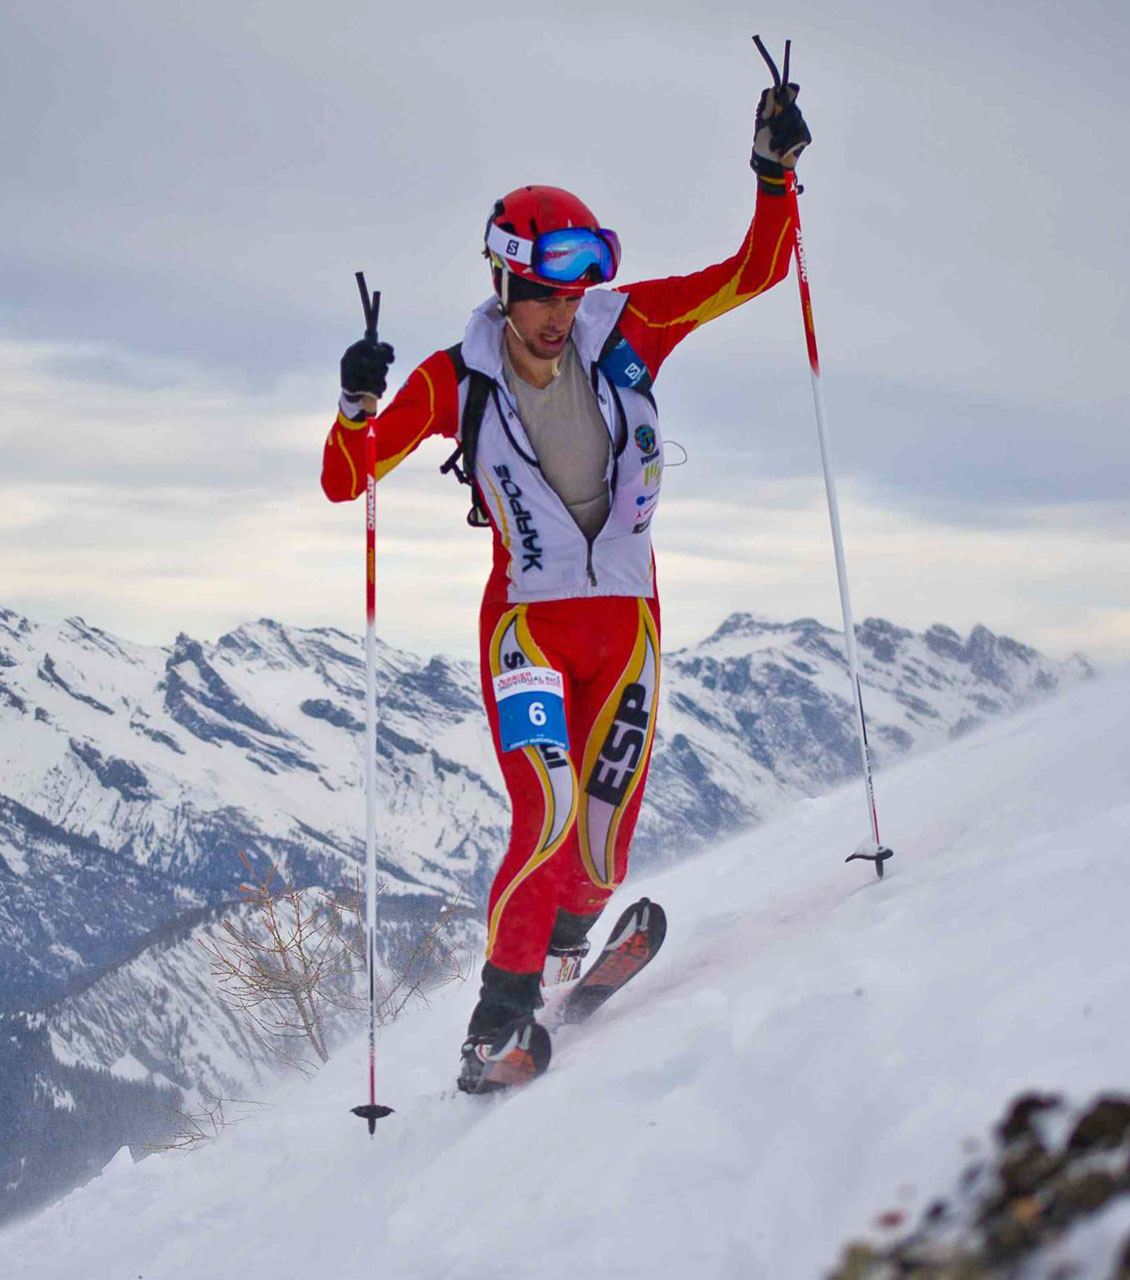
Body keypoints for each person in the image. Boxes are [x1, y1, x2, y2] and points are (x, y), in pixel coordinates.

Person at [321, 81, 811, 1090]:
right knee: (541, 818)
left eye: (573, 292)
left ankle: (560, 954)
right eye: (542, 293)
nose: (559, 314)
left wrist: (772, 173)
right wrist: (354, 404)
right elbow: (345, 477)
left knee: (599, 847)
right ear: (503, 284)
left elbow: (757, 270)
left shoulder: (624, 329)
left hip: (626, 627)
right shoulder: (452, 380)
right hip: (527, 635)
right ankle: (496, 1020)